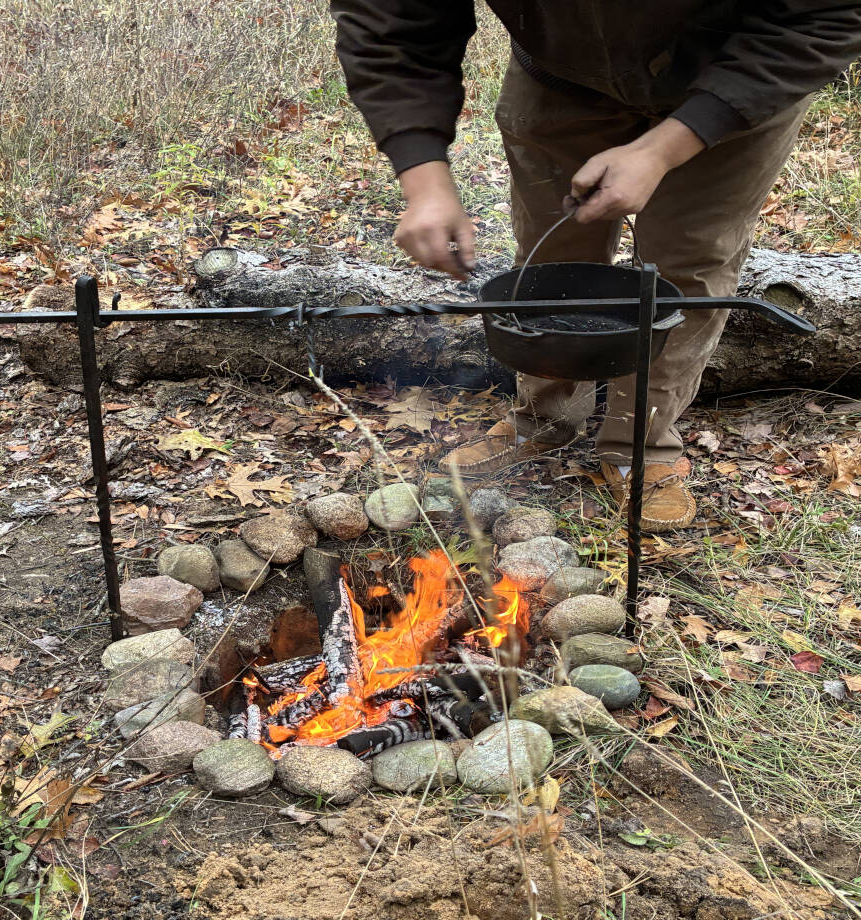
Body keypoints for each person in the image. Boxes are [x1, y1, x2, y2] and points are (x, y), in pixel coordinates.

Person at [330, 1, 861, 531]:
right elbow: (390, 21)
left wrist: (666, 147)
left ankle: (641, 447)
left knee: (686, 274)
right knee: (552, 259)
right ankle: (542, 419)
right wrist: (424, 178)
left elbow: (830, 14)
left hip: (740, 80)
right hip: (560, 79)